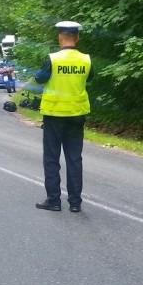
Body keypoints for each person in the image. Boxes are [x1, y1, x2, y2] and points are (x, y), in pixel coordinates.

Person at [34, 20, 91, 213]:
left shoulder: (53, 59)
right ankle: (75, 203)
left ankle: (54, 200)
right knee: (74, 159)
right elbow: (89, 78)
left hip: (54, 114)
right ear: (77, 37)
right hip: (77, 115)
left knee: (51, 158)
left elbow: (40, 78)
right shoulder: (86, 60)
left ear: (60, 37)